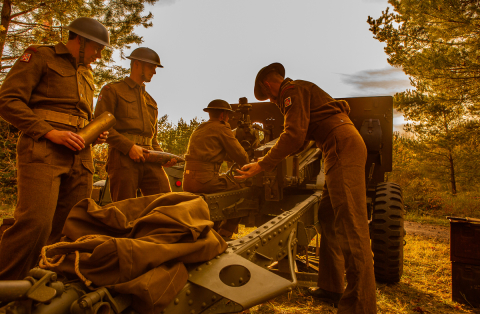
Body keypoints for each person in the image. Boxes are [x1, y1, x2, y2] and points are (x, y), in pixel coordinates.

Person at [235, 63, 377, 313]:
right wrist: (267, 159)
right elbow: (302, 141)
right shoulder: (304, 90)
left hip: (340, 146)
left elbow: (294, 135)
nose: (272, 100)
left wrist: (262, 165)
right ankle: (332, 286)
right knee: (328, 215)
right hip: (337, 146)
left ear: (269, 86)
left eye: (268, 96)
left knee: (351, 226)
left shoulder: (291, 91)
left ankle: (359, 306)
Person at [0, 17, 110, 280]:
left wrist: (94, 133)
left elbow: (77, 114)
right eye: (97, 48)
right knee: (35, 223)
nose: (99, 56)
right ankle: (5, 286)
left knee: (71, 227)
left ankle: (42, 284)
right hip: (44, 150)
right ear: (80, 40)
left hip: (80, 156)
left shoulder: (86, 73)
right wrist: (50, 132)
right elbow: (7, 101)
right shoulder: (40, 55)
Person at [95, 47, 175, 202]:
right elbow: (101, 125)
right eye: (152, 67)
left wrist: (163, 157)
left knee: (166, 204)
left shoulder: (151, 101)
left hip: (150, 157)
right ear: (137, 64)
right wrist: (129, 147)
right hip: (123, 158)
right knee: (124, 210)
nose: (155, 72)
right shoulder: (113, 90)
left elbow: (153, 139)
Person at [183, 99, 249, 238]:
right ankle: (225, 233)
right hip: (205, 181)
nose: (228, 118)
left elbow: (209, 152)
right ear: (223, 115)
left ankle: (213, 232)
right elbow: (242, 158)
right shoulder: (222, 128)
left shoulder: (200, 128)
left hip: (188, 180)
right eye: (228, 116)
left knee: (223, 187)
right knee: (243, 190)